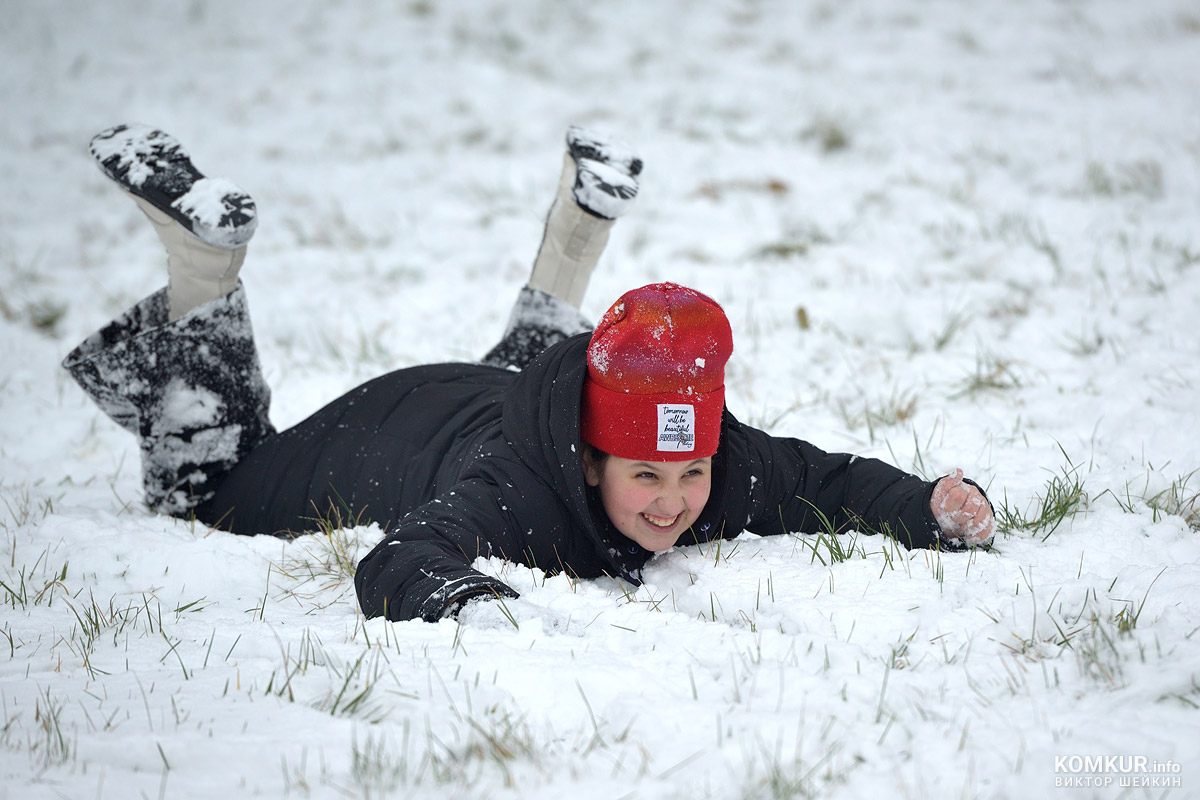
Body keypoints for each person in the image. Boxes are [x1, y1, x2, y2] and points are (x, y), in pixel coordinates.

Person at [64, 124, 995, 624]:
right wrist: (474, 606)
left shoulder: (717, 465)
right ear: (590, 463)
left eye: (687, 473)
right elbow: (400, 558)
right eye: (646, 476)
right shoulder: (516, 500)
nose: (674, 503)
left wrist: (925, 505)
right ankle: (203, 269)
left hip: (492, 400)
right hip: (366, 437)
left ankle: (577, 230)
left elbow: (822, 480)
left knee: (526, 386)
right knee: (199, 488)